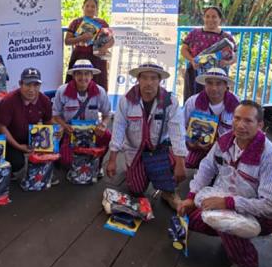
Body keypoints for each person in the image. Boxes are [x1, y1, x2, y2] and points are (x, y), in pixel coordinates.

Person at [177, 101, 272, 267]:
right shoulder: (225, 141)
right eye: (237, 118)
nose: (240, 125)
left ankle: (248, 265)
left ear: (260, 125)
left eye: (248, 121)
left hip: (267, 216)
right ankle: (234, 238)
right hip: (229, 197)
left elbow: (271, 207)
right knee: (193, 220)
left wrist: (227, 203)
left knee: (226, 223)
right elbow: (206, 167)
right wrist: (191, 197)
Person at [106, 63, 187, 210]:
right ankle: (135, 171)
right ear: (138, 79)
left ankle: (168, 192)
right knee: (136, 190)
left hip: (158, 151)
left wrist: (181, 163)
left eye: (153, 78)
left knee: (173, 173)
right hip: (135, 151)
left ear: (160, 80)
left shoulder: (170, 101)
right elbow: (118, 129)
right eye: (144, 78)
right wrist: (112, 160)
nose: (149, 83)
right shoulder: (126, 101)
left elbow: (177, 132)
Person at [52, 60, 112, 176]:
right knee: (67, 161)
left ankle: (98, 164)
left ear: (92, 75)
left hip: (92, 131)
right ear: (73, 75)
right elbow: (55, 115)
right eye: (79, 73)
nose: (83, 77)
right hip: (71, 131)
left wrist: (103, 124)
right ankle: (74, 161)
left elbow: (107, 114)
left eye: (87, 74)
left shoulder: (100, 91)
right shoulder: (62, 91)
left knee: (107, 136)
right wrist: (64, 126)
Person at [0, 67, 54, 174]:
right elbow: (1, 126)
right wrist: (18, 146)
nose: (32, 89)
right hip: (12, 139)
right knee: (16, 163)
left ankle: (44, 174)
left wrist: (52, 138)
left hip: (33, 137)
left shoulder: (45, 100)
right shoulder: (9, 101)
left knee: (55, 148)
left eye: (36, 85)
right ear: (20, 84)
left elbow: (48, 122)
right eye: (28, 84)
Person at [182, 68, 239, 169]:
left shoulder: (237, 104)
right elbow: (181, 127)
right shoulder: (192, 102)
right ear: (205, 85)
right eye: (210, 83)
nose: (214, 88)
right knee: (187, 164)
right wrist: (190, 142)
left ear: (226, 86)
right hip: (196, 148)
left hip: (226, 150)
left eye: (218, 84)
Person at [180, 6, 236, 99]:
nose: (210, 19)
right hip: (195, 72)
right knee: (194, 99)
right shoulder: (194, 33)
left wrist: (227, 62)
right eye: (207, 16)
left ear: (220, 19)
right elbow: (184, 49)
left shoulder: (227, 38)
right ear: (203, 18)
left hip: (217, 77)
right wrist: (192, 60)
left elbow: (234, 56)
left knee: (216, 100)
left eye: (214, 17)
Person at [64, 0, 114, 89]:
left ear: (97, 9)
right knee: (77, 83)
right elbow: (67, 41)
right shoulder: (76, 22)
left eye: (93, 7)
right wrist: (81, 38)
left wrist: (105, 47)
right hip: (79, 57)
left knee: (98, 84)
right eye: (87, 6)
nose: (90, 9)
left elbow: (111, 40)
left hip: (97, 58)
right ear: (83, 8)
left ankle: (98, 102)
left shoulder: (102, 23)